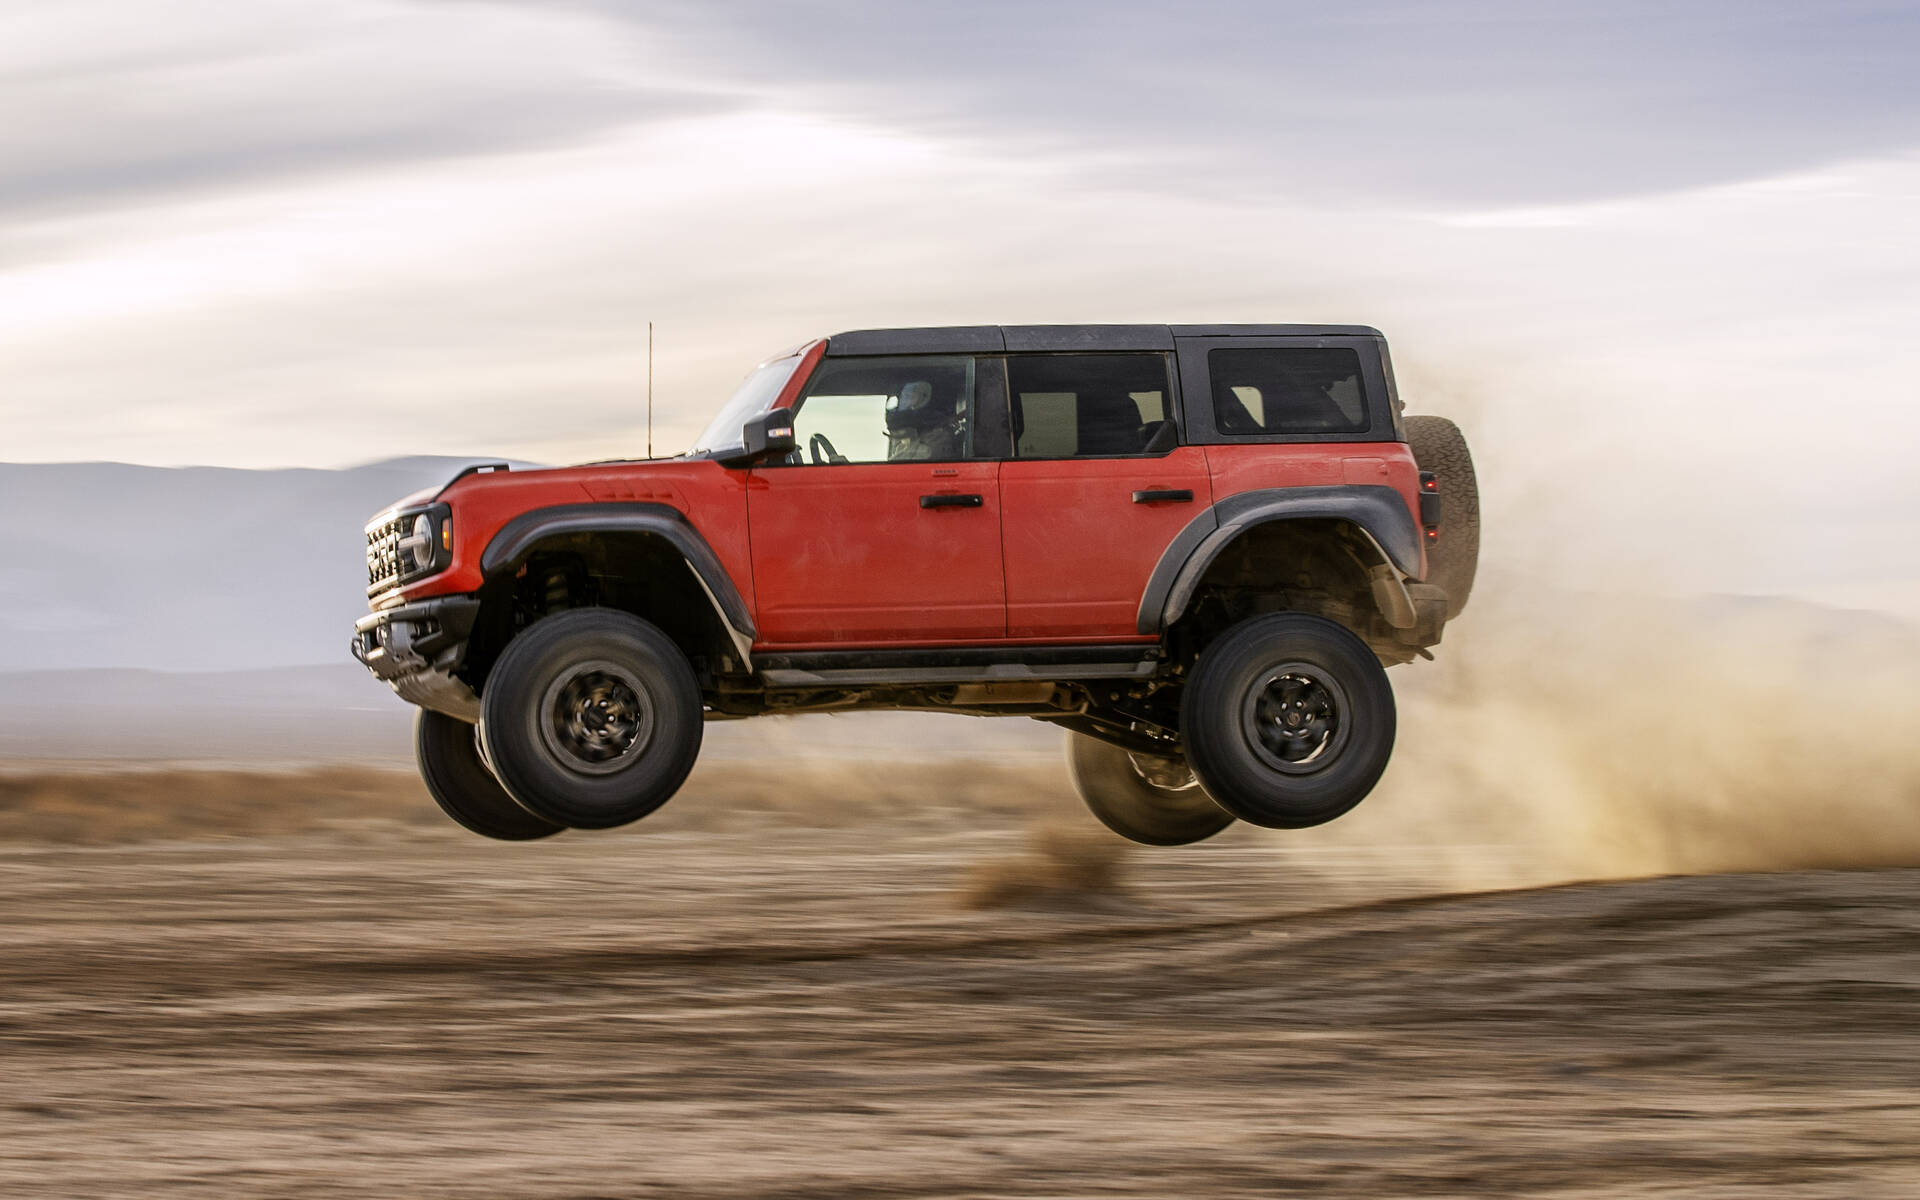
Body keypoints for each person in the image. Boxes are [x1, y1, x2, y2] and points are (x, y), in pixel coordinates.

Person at [885, 380, 965, 460]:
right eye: (902, 397)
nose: (902, 403)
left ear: (924, 402)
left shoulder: (938, 438)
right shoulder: (906, 441)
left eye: (908, 396)